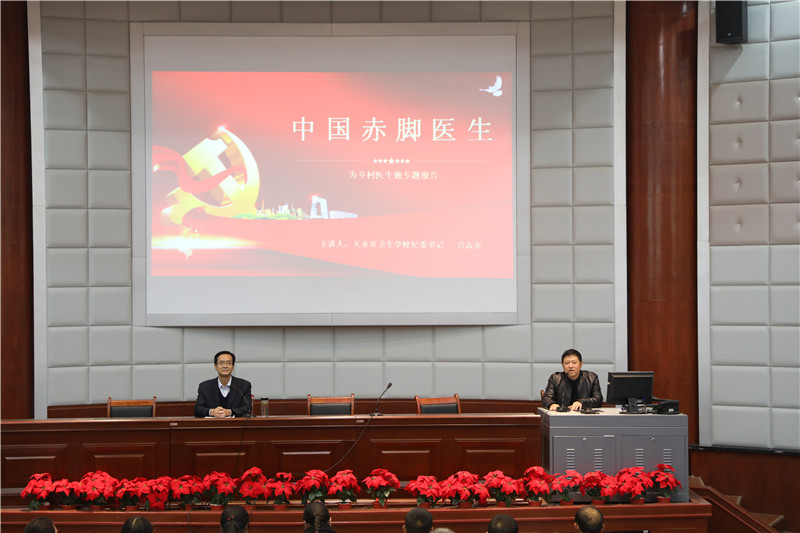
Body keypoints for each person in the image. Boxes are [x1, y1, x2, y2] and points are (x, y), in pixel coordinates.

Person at [194, 350, 252, 418]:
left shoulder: (244, 385)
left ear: (233, 367)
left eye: (229, 363)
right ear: (215, 366)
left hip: (235, 424)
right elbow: (198, 409)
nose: (225, 366)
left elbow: (247, 408)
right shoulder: (205, 386)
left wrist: (229, 412)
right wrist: (212, 412)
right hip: (212, 424)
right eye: (221, 363)